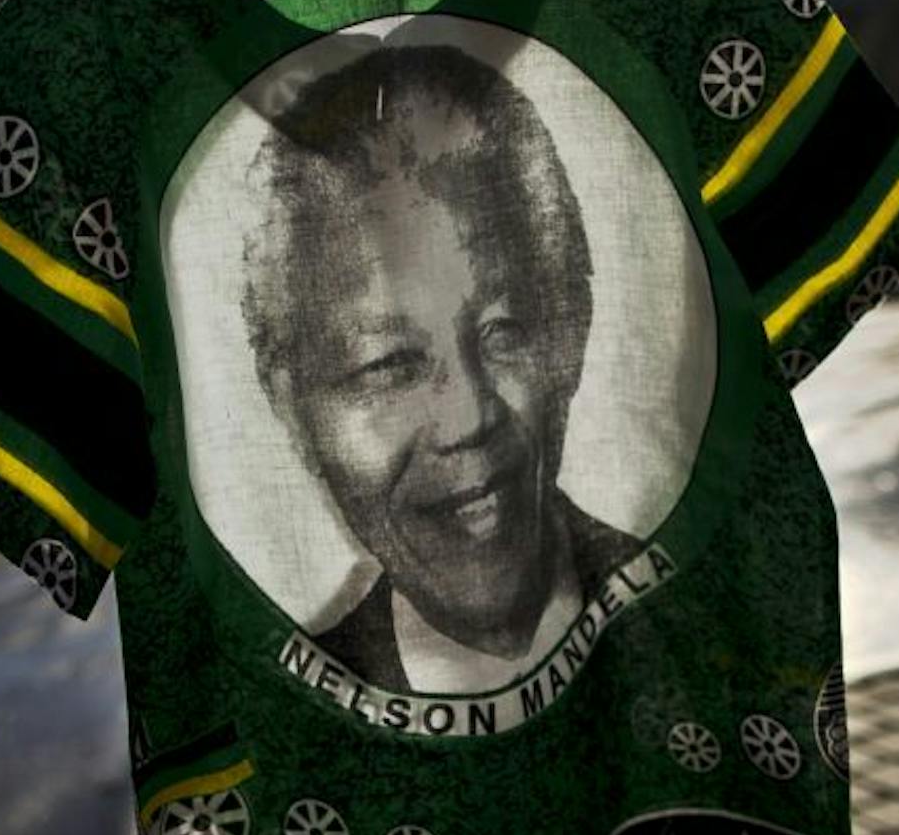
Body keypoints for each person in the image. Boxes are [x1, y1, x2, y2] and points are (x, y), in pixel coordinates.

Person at [240, 43, 641, 695]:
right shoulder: (281, 706)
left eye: (503, 331)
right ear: (291, 407)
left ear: (568, 329)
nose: (468, 418)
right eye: (388, 365)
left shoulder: (697, 597)